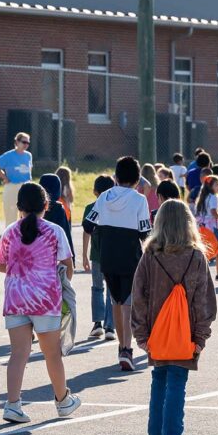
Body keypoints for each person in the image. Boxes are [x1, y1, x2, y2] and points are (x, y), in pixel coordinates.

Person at [131, 199, 217, 435]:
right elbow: (204, 299)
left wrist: (141, 334)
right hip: (185, 332)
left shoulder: (150, 255)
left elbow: (138, 296)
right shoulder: (196, 257)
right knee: (177, 383)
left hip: (157, 331)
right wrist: (201, 336)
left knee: (159, 380)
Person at [0, 181, 81, 423]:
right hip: (46, 299)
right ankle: (63, 400)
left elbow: (2, 265)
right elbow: (67, 266)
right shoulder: (55, 231)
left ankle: (13, 404)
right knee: (52, 354)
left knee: (18, 354)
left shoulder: (10, 231)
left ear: (18, 206)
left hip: (15, 298)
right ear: (47, 205)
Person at [83, 156, 152, 372]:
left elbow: (87, 223)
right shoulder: (139, 200)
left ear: (116, 176)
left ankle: (121, 346)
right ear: (137, 179)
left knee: (115, 300)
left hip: (107, 255)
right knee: (129, 304)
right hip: (130, 256)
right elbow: (144, 232)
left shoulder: (104, 196)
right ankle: (127, 349)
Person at [82, 175, 116, 342]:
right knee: (111, 289)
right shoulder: (116, 208)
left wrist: (83, 255)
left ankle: (98, 324)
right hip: (113, 254)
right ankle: (110, 326)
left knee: (97, 288)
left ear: (95, 191)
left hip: (97, 255)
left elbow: (86, 232)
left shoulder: (91, 208)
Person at [0, 131, 32, 225]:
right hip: (12, 186)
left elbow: (29, 171)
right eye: (24, 142)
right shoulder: (9, 155)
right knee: (11, 215)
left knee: (27, 214)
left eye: (28, 143)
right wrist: (4, 177)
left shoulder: (28, 155)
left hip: (26, 187)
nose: (26, 144)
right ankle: (10, 236)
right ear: (17, 142)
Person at [195, 175, 218, 280]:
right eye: (217, 184)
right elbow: (213, 212)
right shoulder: (213, 197)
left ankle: (201, 273)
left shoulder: (204, 197)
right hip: (213, 227)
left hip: (203, 226)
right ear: (210, 186)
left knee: (205, 250)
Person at [39, 174, 75, 259]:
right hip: (53, 253)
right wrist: (71, 258)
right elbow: (66, 233)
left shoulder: (34, 206)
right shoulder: (58, 209)